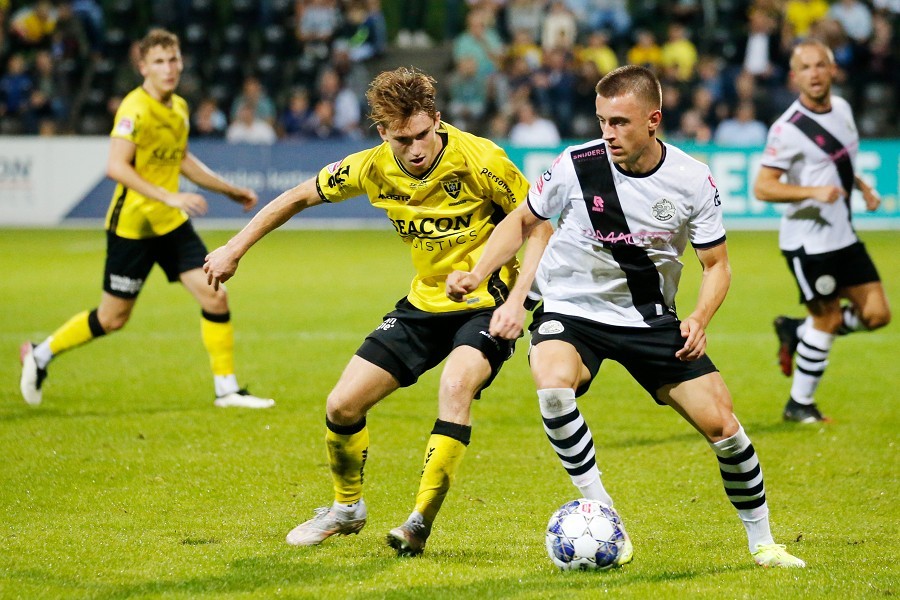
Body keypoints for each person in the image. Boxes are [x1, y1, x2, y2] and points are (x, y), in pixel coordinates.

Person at [447, 64, 807, 569]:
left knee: (724, 428)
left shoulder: (690, 179)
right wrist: (479, 271)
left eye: (620, 122)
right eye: (601, 121)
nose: (608, 133)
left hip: (651, 317)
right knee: (552, 385)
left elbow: (717, 265)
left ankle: (764, 542)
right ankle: (606, 514)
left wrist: (701, 317)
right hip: (571, 307)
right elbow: (524, 219)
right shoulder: (577, 164)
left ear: (653, 119)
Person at [203, 67, 552, 556]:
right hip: (424, 302)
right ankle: (347, 510)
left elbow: (537, 223)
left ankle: (417, 523)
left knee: (455, 386)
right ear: (383, 132)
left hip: (488, 303)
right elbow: (300, 194)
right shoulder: (371, 167)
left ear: (437, 118)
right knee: (341, 406)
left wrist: (519, 301)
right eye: (401, 139)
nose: (415, 149)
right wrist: (235, 247)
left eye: (423, 135)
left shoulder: (481, 158)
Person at [19, 28, 274, 410]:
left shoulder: (180, 107)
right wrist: (169, 194)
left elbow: (181, 158)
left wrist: (228, 189)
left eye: (173, 60)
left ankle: (227, 390)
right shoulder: (133, 109)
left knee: (215, 295)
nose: (168, 68)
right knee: (112, 318)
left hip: (170, 224)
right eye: (158, 61)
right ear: (143, 66)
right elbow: (116, 167)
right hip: (134, 228)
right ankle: (41, 354)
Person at [753, 39, 890, 423]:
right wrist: (812, 191)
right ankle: (800, 404)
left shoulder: (843, 109)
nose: (814, 74)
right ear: (795, 77)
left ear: (833, 70)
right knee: (828, 320)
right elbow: (763, 187)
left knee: (877, 315)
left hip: (843, 234)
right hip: (808, 243)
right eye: (805, 68)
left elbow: (838, 164)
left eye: (820, 65)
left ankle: (798, 330)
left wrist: (860, 184)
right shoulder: (787, 129)